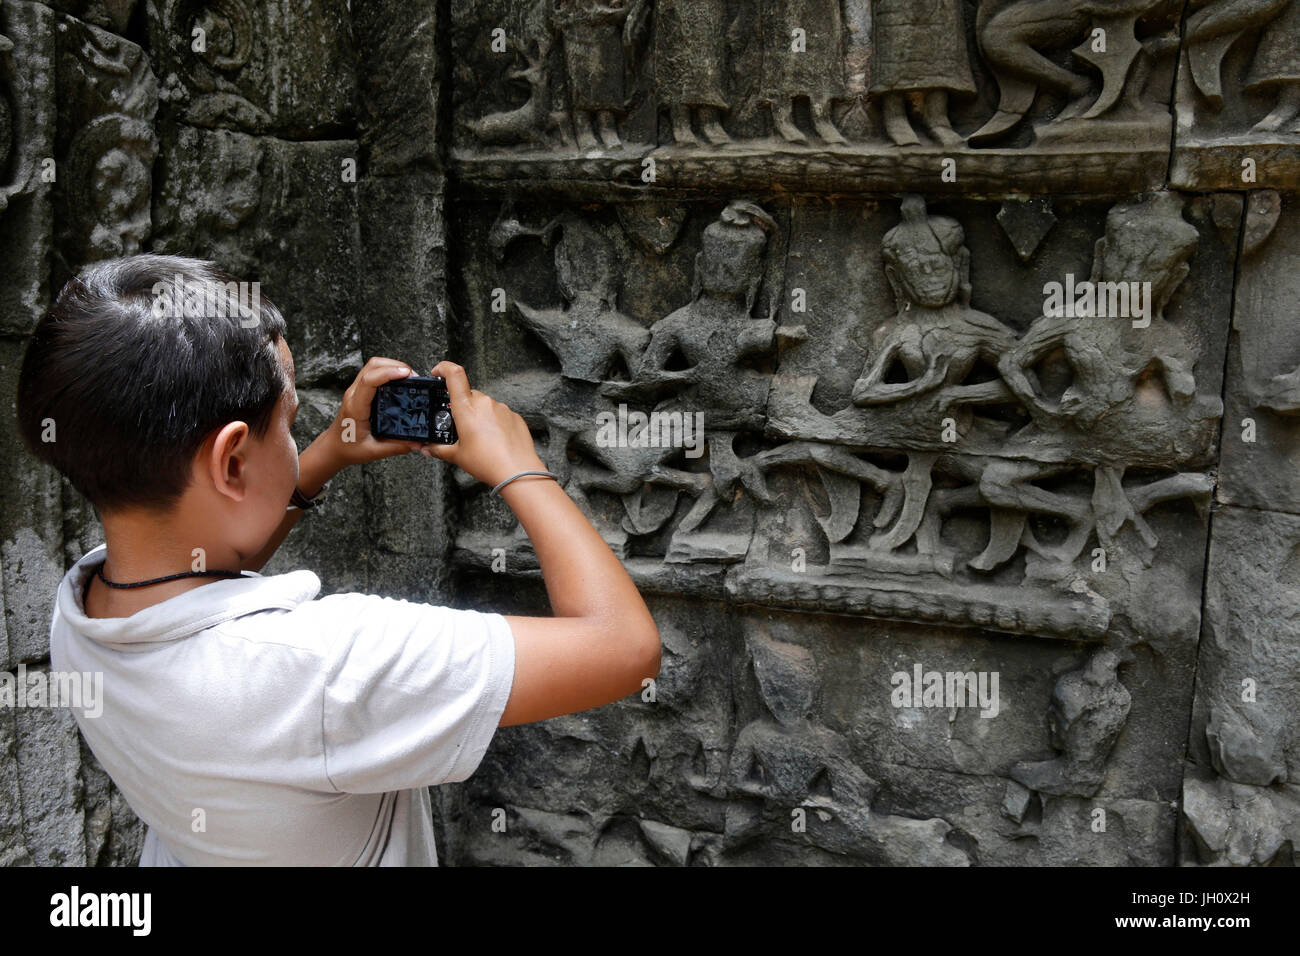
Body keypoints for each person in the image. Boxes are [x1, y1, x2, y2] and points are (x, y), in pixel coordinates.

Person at [15, 254, 660, 866]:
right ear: (232, 462)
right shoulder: (326, 666)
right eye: (289, 423)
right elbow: (624, 648)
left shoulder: (83, 614)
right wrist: (519, 468)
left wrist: (328, 453)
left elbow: (203, 573)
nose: (298, 440)